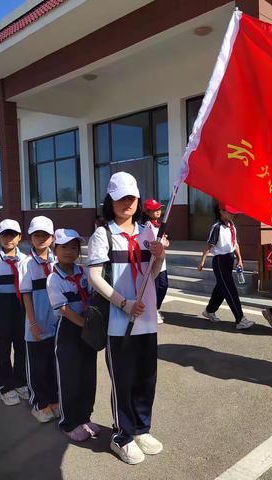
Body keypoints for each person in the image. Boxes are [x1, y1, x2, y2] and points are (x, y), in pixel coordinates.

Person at [88, 172, 165, 465]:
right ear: (111, 200)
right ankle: (122, 435)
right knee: (123, 378)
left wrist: (159, 255)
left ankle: (142, 428)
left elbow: (153, 274)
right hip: (119, 321)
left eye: (131, 198)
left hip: (146, 319)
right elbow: (95, 276)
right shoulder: (103, 234)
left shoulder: (149, 232)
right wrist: (123, 303)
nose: (127, 204)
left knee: (146, 376)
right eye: (121, 199)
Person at [48, 228, 98, 441]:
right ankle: (68, 423)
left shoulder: (85, 273)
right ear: (55, 249)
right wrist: (85, 326)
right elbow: (64, 309)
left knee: (88, 377)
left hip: (87, 330)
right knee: (70, 379)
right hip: (69, 331)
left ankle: (84, 417)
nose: (69, 251)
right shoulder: (53, 278)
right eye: (64, 247)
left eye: (74, 247)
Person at [0, 219, 28, 406]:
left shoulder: (25, 260)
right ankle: (5, 385)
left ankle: (19, 380)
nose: (8, 239)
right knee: (2, 347)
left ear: (19, 237)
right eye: (4, 235)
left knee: (20, 345)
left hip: (20, 305)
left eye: (12, 234)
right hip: (1, 305)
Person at [19, 216, 59, 423]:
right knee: (37, 366)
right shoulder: (26, 264)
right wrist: (33, 323)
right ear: (30, 238)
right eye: (37, 235)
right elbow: (26, 294)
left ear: (52, 238)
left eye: (45, 235)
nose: (41, 239)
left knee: (53, 364)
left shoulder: (57, 260)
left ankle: (54, 399)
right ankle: (39, 404)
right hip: (37, 322)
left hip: (56, 322)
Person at [197, 202, 254, 330]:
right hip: (219, 261)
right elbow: (209, 245)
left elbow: (235, 244)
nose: (233, 214)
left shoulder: (232, 226)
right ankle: (240, 319)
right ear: (221, 212)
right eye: (230, 212)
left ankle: (209, 311)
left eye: (234, 212)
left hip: (229, 259)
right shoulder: (217, 227)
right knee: (230, 290)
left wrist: (240, 259)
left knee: (221, 288)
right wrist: (202, 261)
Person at [142, 198, 169, 324]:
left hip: (161, 262)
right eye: (155, 209)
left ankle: (155, 308)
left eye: (159, 209)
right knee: (155, 288)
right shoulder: (146, 226)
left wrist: (165, 242)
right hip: (153, 262)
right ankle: (153, 310)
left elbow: (165, 242)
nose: (158, 211)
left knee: (163, 286)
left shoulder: (160, 225)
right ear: (147, 212)